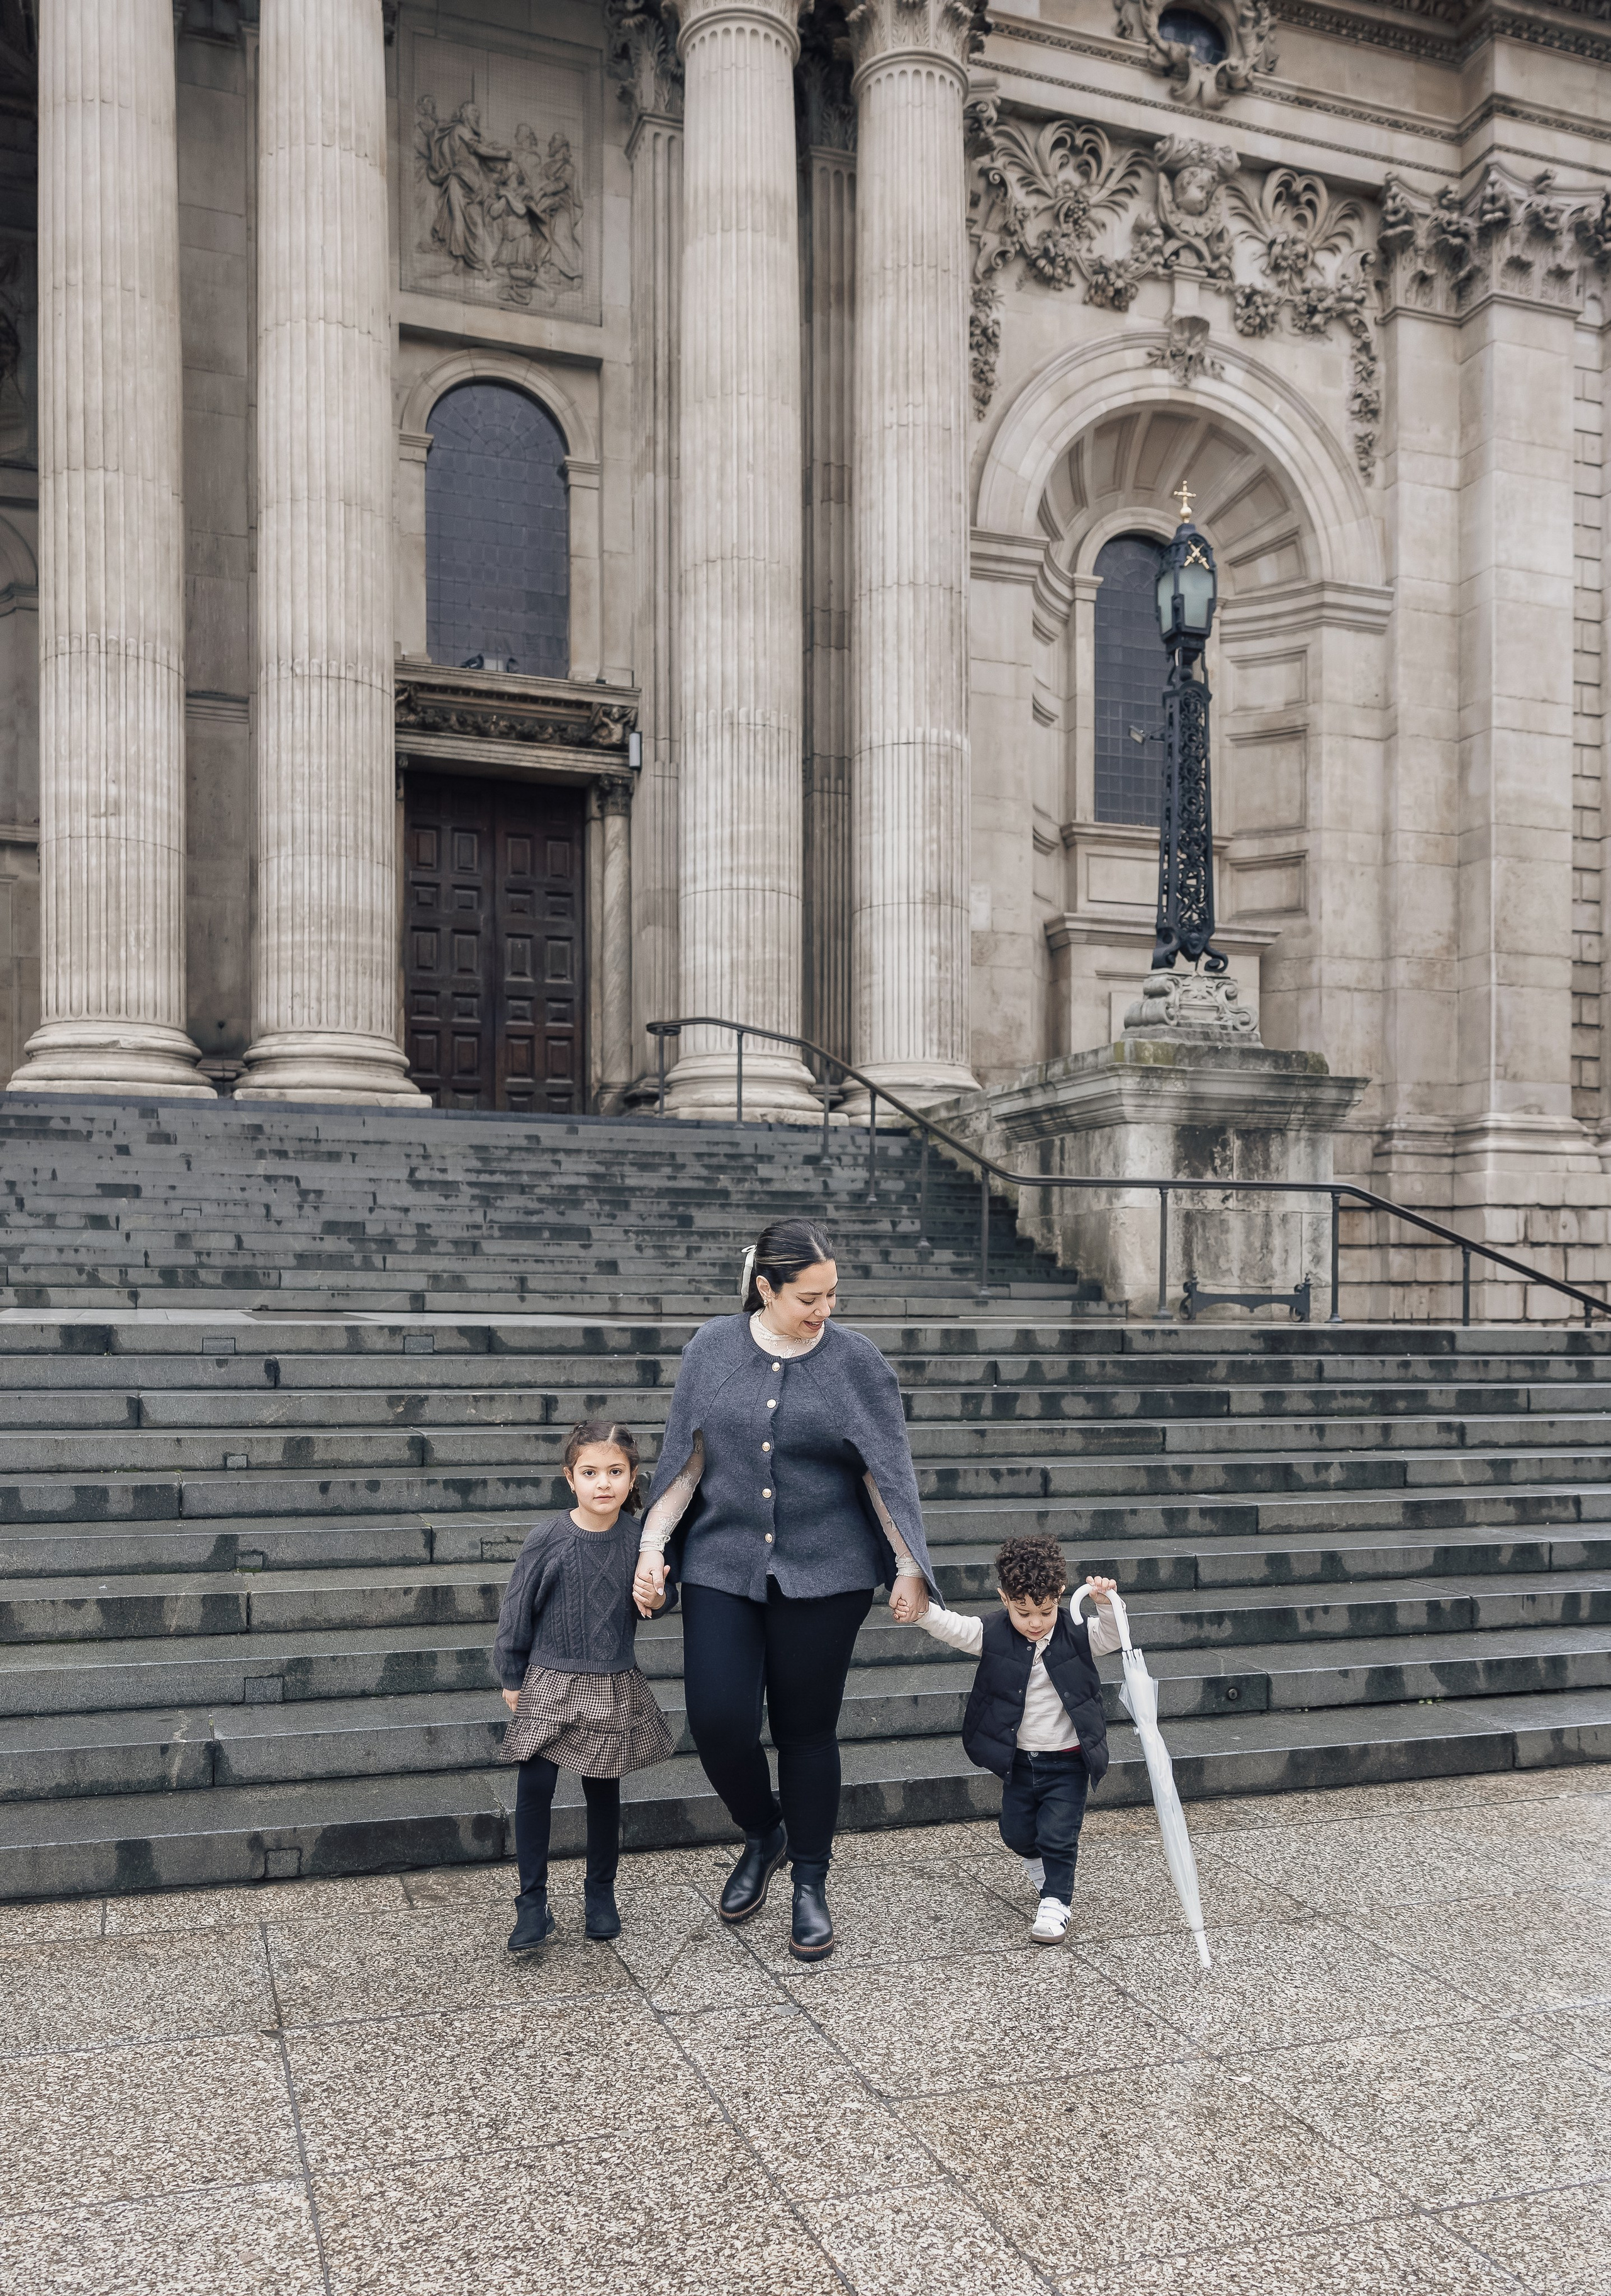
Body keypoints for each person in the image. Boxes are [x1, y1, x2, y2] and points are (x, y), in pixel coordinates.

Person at [632, 1219, 937, 1962]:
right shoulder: (712, 1348)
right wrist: (649, 1547)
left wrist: (907, 1566)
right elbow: (687, 1459)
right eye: (809, 1296)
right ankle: (763, 1829)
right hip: (721, 1564)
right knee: (718, 1719)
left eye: (832, 1294)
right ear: (764, 1288)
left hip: (827, 1571)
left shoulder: (856, 1361)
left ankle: (808, 1879)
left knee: (806, 1731)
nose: (824, 1309)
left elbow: (882, 1471)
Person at [493, 1419, 673, 1954]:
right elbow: (516, 1608)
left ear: (632, 1477)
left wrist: (658, 1595)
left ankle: (600, 1894)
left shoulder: (641, 1540)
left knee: (603, 1789)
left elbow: (663, 1599)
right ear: (569, 1477)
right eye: (590, 1472)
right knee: (536, 1787)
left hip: (610, 1678)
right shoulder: (549, 1538)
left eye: (615, 1472)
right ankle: (532, 1904)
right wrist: (511, 1673)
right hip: (549, 1678)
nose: (603, 1484)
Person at [914, 1536, 1122, 1944]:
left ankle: (1057, 1903)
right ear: (1004, 1598)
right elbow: (955, 1627)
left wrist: (1105, 1601)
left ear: (1060, 1596)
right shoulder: (993, 1632)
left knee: (1059, 1836)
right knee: (1015, 1831)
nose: (1035, 1622)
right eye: (1022, 1611)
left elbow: (1113, 1636)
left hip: (1068, 1760)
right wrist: (921, 1611)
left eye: (1045, 1611)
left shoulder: (1076, 1631)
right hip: (1021, 1761)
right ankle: (1040, 1868)